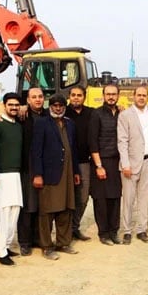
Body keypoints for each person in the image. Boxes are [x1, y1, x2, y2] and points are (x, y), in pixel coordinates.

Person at [32, 94, 80, 260]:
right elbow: (36, 151)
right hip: (49, 174)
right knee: (47, 211)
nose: (58, 108)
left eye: (60, 105)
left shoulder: (70, 124)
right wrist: (38, 174)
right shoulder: (42, 123)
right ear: (49, 106)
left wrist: (75, 173)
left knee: (66, 208)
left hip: (67, 173)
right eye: (55, 105)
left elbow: (73, 150)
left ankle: (63, 242)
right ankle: (46, 246)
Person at [117, 86, 148, 244]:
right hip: (130, 163)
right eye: (139, 95)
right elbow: (122, 141)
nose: (141, 98)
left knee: (143, 198)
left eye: (144, 95)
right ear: (133, 96)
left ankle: (142, 229)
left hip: (147, 161)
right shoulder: (125, 115)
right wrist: (125, 164)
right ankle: (127, 230)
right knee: (128, 199)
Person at [0, 93, 24, 266]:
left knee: (14, 212)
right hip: (0, 176)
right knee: (1, 214)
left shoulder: (18, 126)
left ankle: (7, 245)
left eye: (17, 105)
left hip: (15, 175)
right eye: (11, 105)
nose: (14, 108)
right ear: (4, 105)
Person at [89, 84, 123, 245]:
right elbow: (93, 142)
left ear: (118, 95)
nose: (111, 97)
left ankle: (114, 232)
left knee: (115, 198)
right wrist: (98, 166)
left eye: (114, 94)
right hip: (101, 161)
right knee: (101, 200)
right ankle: (103, 233)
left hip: (117, 162)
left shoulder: (122, 114)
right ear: (103, 95)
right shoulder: (97, 114)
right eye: (108, 94)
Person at [17, 87, 48, 255]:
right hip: (28, 167)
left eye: (40, 96)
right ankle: (25, 241)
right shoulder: (22, 116)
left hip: (46, 168)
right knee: (28, 206)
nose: (37, 99)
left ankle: (38, 238)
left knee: (42, 206)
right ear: (27, 100)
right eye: (34, 97)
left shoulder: (48, 115)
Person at [65, 86, 94, 241]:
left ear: (84, 97)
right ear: (69, 96)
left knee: (83, 198)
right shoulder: (62, 112)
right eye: (73, 95)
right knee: (65, 199)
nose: (76, 98)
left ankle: (74, 228)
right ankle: (65, 231)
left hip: (84, 163)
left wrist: (120, 107)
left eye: (79, 95)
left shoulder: (91, 113)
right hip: (65, 163)